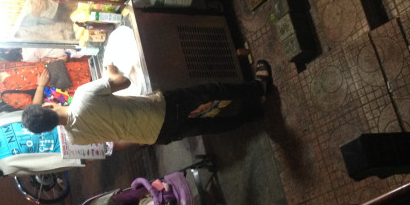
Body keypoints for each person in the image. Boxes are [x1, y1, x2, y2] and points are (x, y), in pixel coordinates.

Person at [21, 60, 273, 146]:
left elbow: (113, 135)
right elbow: (123, 82)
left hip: (155, 136)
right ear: (48, 106)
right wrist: (110, 70)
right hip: (160, 109)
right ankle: (258, 87)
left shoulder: (75, 138)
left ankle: (252, 116)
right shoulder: (83, 96)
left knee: (207, 126)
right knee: (209, 92)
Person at [0, 110, 82, 175]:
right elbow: (43, 168)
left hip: (62, 123)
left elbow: (27, 114)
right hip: (67, 148)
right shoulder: (6, 165)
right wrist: (77, 160)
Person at [0, 55, 91, 109]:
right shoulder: (7, 94)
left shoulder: (3, 65)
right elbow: (34, 106)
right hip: (66, 84)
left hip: (62, 67)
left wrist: (51, 60)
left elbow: (32, 64)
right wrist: (41, 86)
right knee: (94, 82)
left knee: (92, 66)